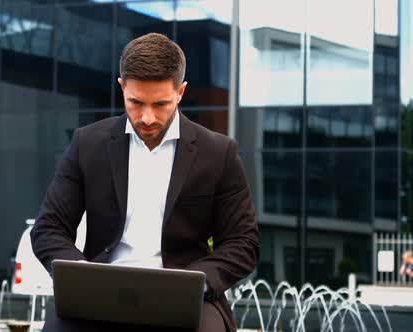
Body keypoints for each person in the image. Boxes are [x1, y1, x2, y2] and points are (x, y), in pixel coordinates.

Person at [31, 32, 259, 332]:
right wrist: (81, 275)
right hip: (99, 292)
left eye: (161, 104)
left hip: (188, 295)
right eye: (136, 102)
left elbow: (244, 243)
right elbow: (49, 228)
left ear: (181, 92)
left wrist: (198, 281)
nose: (147, 117)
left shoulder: (219, 153)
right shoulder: (87, 143)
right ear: (122, 87)